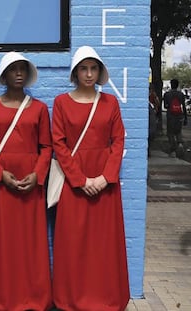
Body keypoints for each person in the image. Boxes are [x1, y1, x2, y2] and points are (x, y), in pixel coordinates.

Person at [51, 46, 130, 310]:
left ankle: (106, 298)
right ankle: (71, 299)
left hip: (105, 184)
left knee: (103, 244)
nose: (88, 74)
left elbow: (118, 140)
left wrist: (106, 177)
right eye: (83, 68)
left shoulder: (110, 103)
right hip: (74, 183)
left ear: (99, 72)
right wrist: (80, 180)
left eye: (93, 68)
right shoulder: (61, 102)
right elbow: (58, 144)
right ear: (75, 72)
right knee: (73, 243)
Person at [0, 52, 53, 310]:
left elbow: (46, 147)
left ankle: (33, 297)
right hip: (2, 184)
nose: (19, 73)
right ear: (4, 75)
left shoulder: (40, 108)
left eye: (22, 69)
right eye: (13, 69)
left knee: (31, 242)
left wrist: (38, 175)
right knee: (2, 241)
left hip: (30, 184)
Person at [163, 78, 187, 157]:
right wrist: (185, 117)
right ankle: (180, 143)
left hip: (170, 115)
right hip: (179, 115)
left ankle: (173, 148)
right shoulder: (181, 94)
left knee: (170, 132)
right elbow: (183, 106)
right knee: (178, 131)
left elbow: (165, 106)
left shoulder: (167, 94)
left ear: (171, 85)